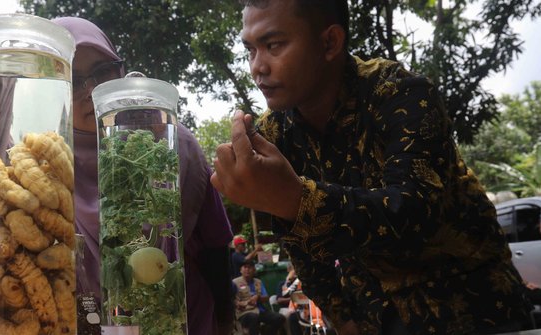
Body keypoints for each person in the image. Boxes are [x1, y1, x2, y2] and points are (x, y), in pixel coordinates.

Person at [210, 1, 532, 334]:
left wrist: (296, 200)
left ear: (330, 42)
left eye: (273, 45)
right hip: (376, 317)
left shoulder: (400, 93)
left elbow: (414, 210)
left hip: (474, 305)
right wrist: (342, 316)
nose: (257, 67)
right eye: (250, 50)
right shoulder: (274, 135)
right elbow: (302, 250)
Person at [53, 17, 235, 335]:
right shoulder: (46, 166)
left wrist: (226, 324)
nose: (90, 90)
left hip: (184, 322)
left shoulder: (173, 144)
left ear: (120, 70)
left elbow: (217, 248)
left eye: (101, 72)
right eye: (72, 78)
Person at [233, 260, 285, 335]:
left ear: (254, 270)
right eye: (245, 267)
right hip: (244, 312)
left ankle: (266, 332)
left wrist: (258, 297)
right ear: (241, 270)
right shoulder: (235, 283)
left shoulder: (258, 282)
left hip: (260, 311)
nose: (247, 270)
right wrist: (240, 304)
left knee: (280, 318)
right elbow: (232, 301)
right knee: (254, 317)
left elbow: (266, 297)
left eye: (250, 267)